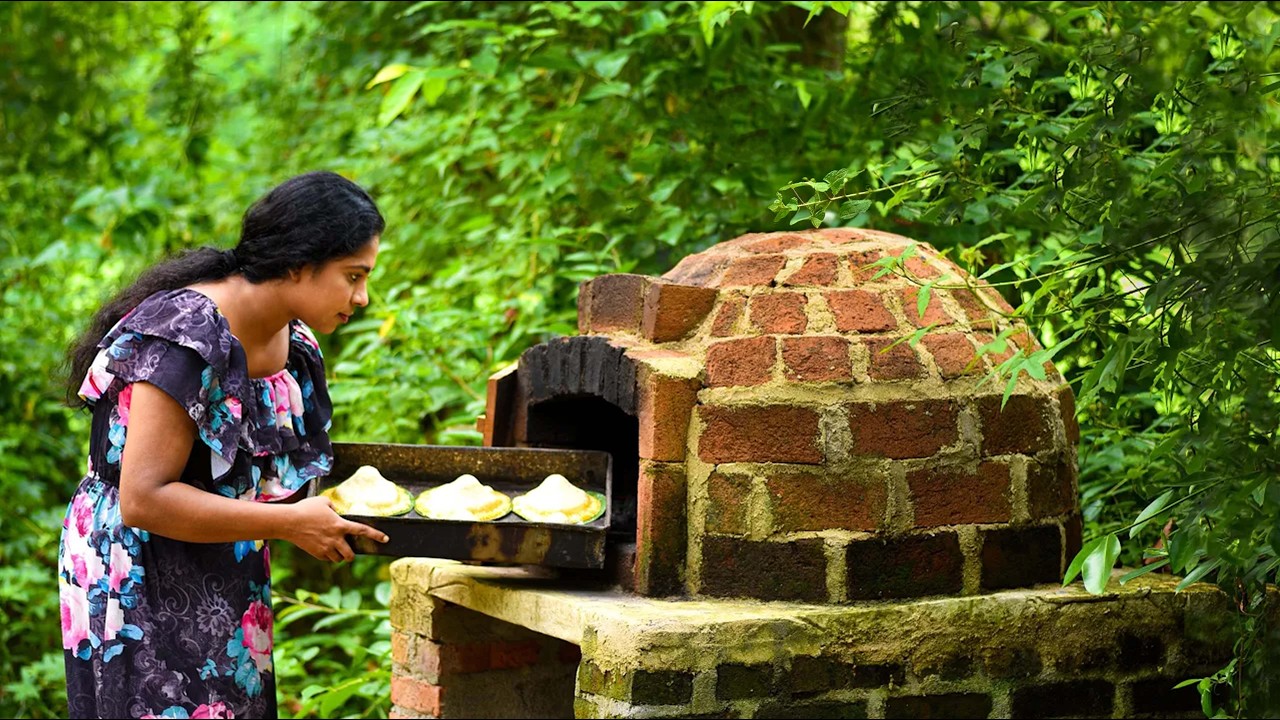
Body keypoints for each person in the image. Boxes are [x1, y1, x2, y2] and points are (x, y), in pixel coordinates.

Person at [58, 171, 391, 719]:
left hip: (225, 557)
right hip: (137, 563)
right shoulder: (187, 335)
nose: (363, 296)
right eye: (353, 276)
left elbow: (260, 475)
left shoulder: (295, 340)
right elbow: (142, 499)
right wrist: (289, 524)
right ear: (297, 263)